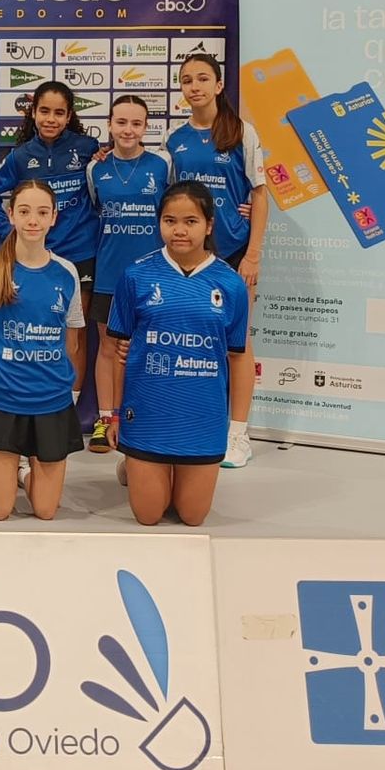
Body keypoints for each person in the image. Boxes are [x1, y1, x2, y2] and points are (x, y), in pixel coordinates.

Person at [107, 181, 250, 527]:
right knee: (148, 515)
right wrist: (114, 415)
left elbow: (239, 356)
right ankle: (136, 464)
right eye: (170, 221)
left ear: (209, 225)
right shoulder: (136, 275)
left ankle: (158, 471)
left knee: (192, 516)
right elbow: (119, 352)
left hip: (202, 417)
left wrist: (237, 428)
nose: (180, 230)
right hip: (147, 414)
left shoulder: (230, 283)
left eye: (191, 221)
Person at [166, 52, 267, 470]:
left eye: (203, 78)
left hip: (235, 254)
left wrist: (253, 255)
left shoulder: (242, 132)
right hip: (190, 258)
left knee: (236, 345)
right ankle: (193, 424)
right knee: (191, 342)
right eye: (187, 79)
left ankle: (238, 434)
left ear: (219, 85)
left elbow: (260, 195)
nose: (195, 86)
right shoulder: (174, 139)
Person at [0, 179, 86, 521]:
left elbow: (72, 341)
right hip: (3, 400)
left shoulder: (67, 273)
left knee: (46, 511)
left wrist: (55, 379)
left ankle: (21, 473)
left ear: (53, 218)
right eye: (24, 211)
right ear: (11, 215)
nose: (33, 220)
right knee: (0, 510)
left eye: (42, 212)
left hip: (51, 402)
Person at [0, 81, 99, 408]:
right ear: (33, 112)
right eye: (44, 111)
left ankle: (68, 404)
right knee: (37, 328)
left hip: (81, 254)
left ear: (69, 116)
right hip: (36, 257)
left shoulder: (88, 148)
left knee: (75, 332)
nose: (51, 119)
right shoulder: (21, 156)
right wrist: (9, 232)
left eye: (59, 113)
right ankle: (32, 397)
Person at [85, 95, 171, 454]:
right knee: (108, 347)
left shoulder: (163, 164)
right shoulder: (95, 169)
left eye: (136, 123)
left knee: (149, 348)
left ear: (147, 127)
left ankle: (142, 419)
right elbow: (95, 211)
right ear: (109, 124)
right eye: (121, 122)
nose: (128, 130)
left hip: (153, 275)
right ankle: (105, 420)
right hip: (109, 274)